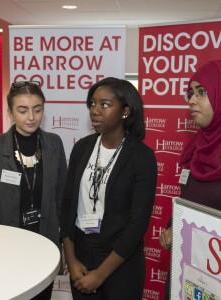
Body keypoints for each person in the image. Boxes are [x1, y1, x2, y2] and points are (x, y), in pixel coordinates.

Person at [60, 77, 157, 299]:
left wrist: (101, 275)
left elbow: (137, 223)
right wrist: (71, 260)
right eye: (92, 103)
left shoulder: (142, 158)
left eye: (105, 105)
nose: (95, 110)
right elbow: (67, 205)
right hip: (81, 257)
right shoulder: (82, 148)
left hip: (121, 262)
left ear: (125, 111)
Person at [0, 80, 67, 300]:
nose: (31, 117)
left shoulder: (54, 143)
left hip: (44, 241)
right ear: (10, 112)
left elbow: (62, 194)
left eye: (37, 109)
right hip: (5, 244)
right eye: (23, 110)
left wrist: (64, 242)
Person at [159, 60, 221, 299]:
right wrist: (173, 227)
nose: (192, 100)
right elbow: (189, 200)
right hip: (188, 273)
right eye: (190, 93)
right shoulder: (195, 147)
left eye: (202, 92)